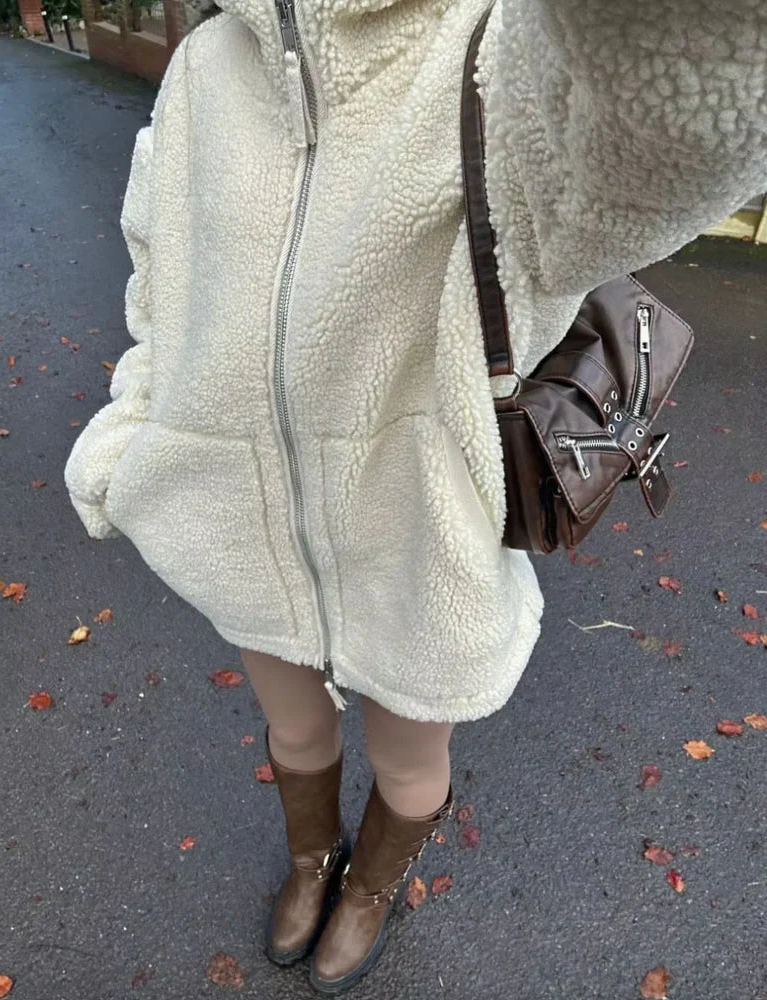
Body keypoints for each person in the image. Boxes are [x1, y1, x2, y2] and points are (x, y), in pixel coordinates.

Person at [63, 0, 767, 994]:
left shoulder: (490, 44)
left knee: (406, 759)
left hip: (416, 528)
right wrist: (138, 421)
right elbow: (157, 268)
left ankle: (370, 886)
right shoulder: (207, 66)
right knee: (295, 730)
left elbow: (659, 135)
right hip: (238, 518)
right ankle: (315, 861)